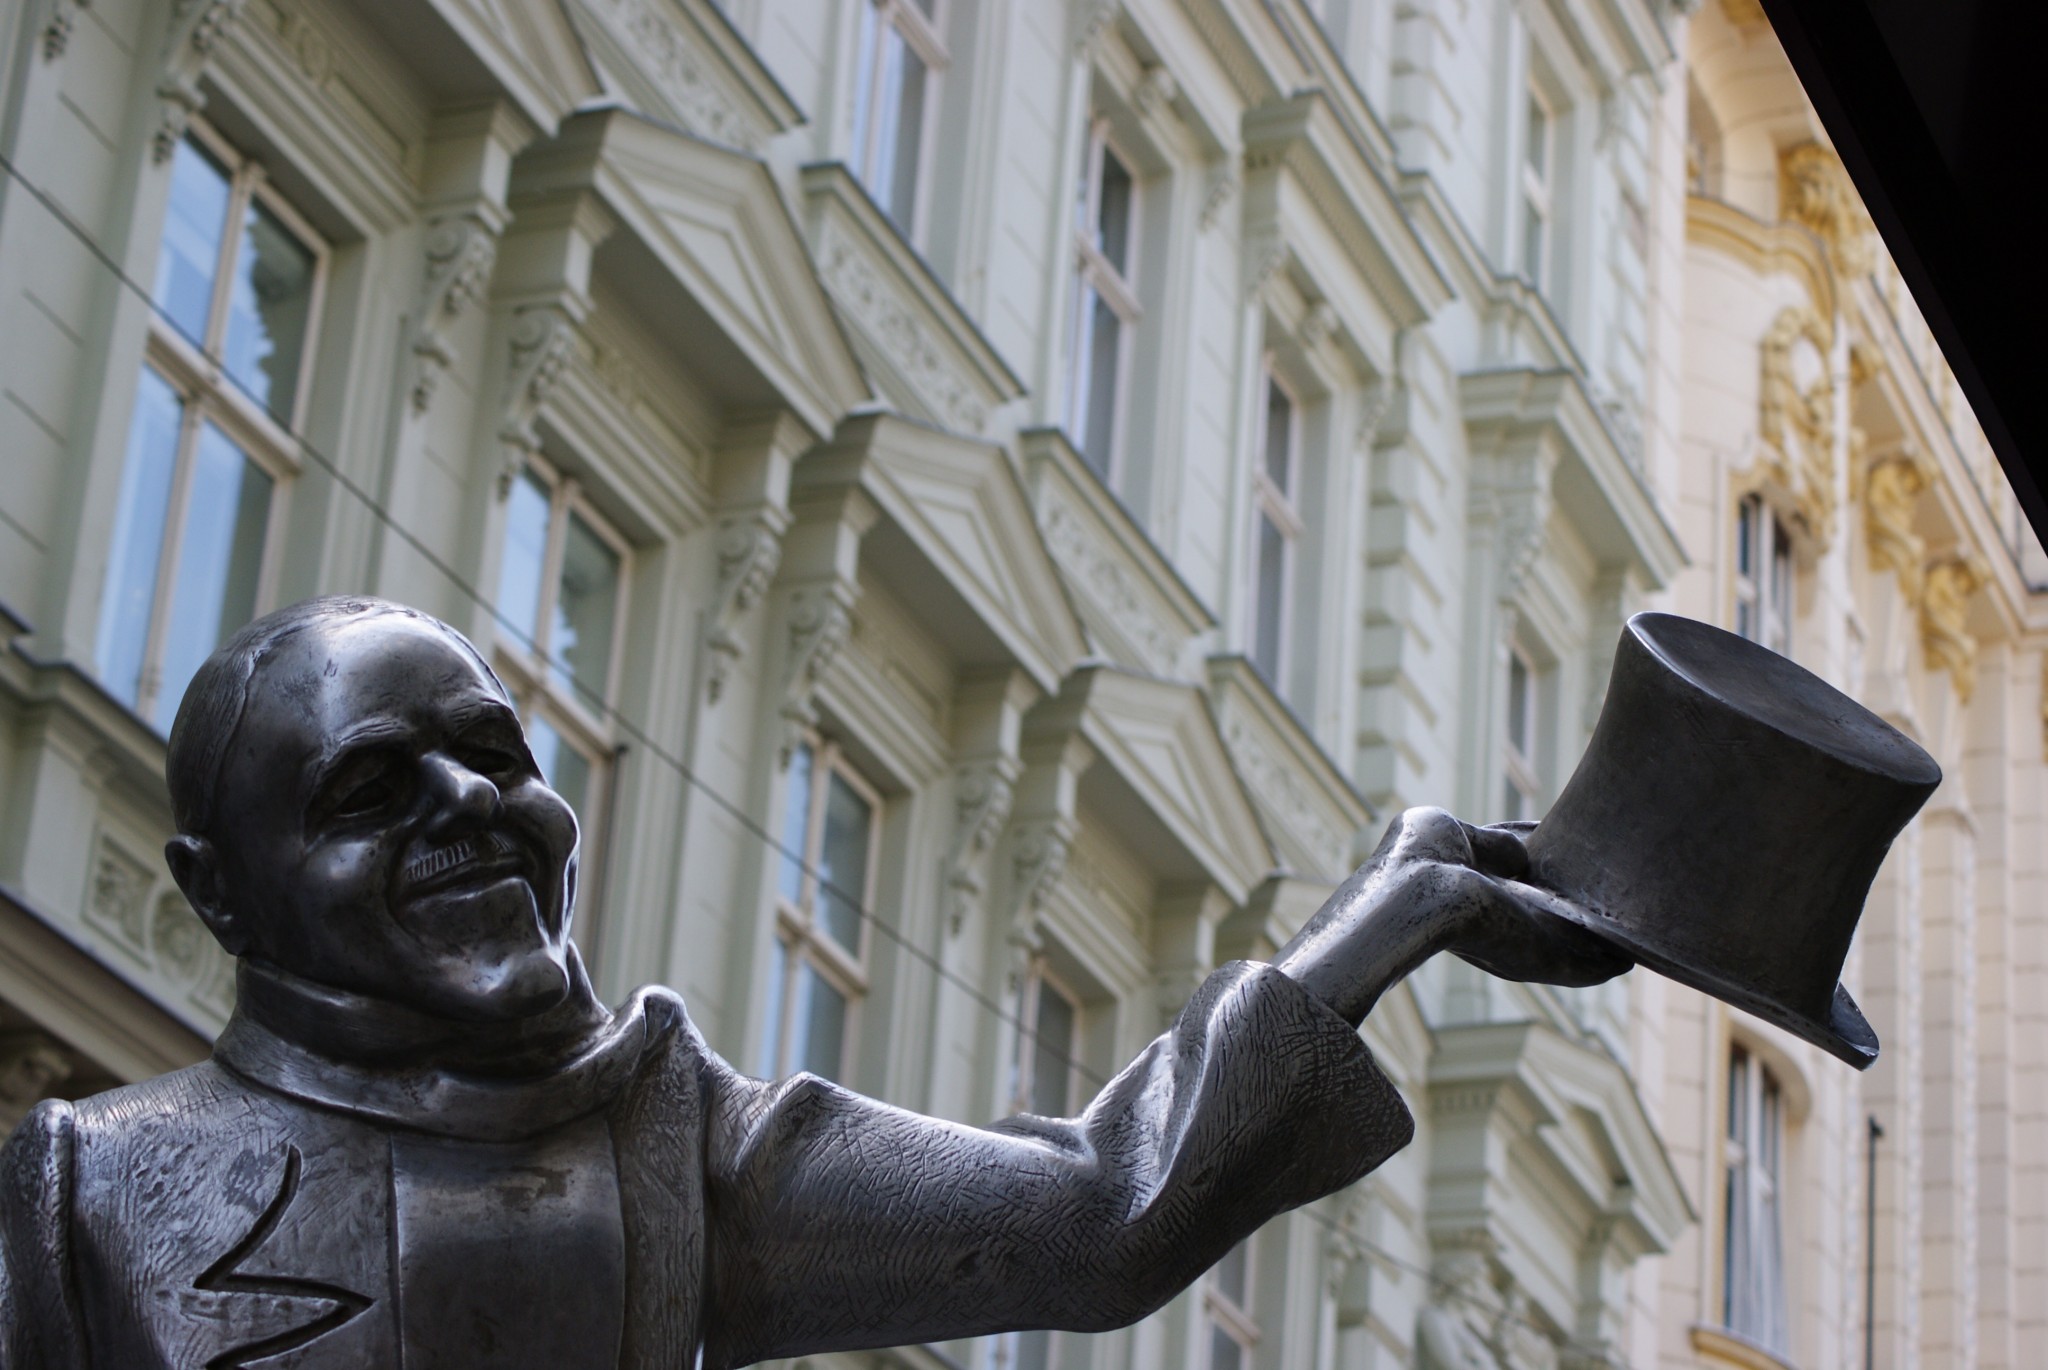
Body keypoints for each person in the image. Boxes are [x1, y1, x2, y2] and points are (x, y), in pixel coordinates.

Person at [0, 597, 1625, 1368]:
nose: (471, 806)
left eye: (497, 754)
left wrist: (1373, 924)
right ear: (220, 891)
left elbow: (1096, 1211)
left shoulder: (664, 1141)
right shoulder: (83, 1198)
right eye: (370, 788)